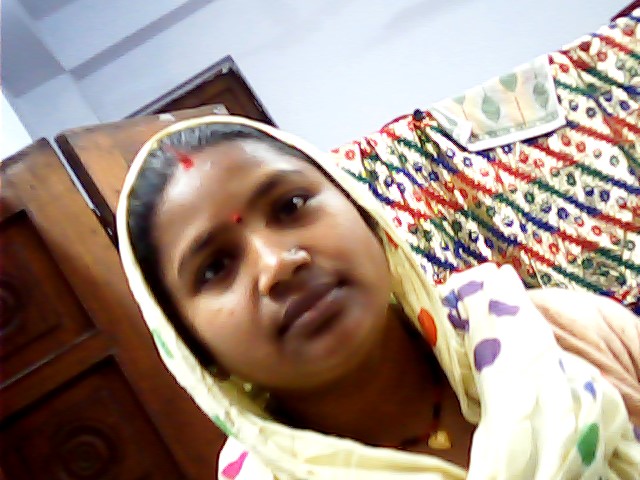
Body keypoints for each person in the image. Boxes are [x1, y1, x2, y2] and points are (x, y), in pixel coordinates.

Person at [116, 11, 640, 480]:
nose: (278, 264)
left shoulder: (565, 334)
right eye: (215, 268)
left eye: (291, 206)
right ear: (194, 350)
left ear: (368, 217)